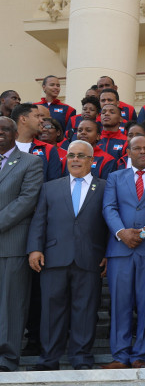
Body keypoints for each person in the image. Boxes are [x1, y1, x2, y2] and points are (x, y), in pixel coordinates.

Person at [26, 140, 108, 371]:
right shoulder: (50, 187)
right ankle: (48, 359)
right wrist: (35, 248)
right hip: (53, 257)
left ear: (92, 161)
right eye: (71, 155)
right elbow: (39, 220)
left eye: (81, 156)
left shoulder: (104, 187)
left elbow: (110, 222)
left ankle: (81, 358)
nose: (75, 159)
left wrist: (107, 254)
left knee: (85, 310)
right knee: (51, 311)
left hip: (90, 257)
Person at [101, 135, 145, 369]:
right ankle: (120, 356)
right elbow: (109, 207)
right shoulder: (114, 177)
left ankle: (140, 355)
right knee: (120, 304)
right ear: (129, 152)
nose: (142, 152)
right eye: (137, 148)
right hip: (120, 250)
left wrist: (144, 232)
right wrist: (122, 232)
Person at [0, 116, 43, 372]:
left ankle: (6, 357)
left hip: (12, 244)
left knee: (11, 305)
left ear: (15, 134)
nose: (0, 133)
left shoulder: (31, 162)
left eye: (5, 129)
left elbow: (27, 201)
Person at [10, 103, 62, 183]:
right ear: (23, 119)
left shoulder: (48, 149)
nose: (41, 120)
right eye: (37, 116)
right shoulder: (4, 147)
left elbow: (54, 184)